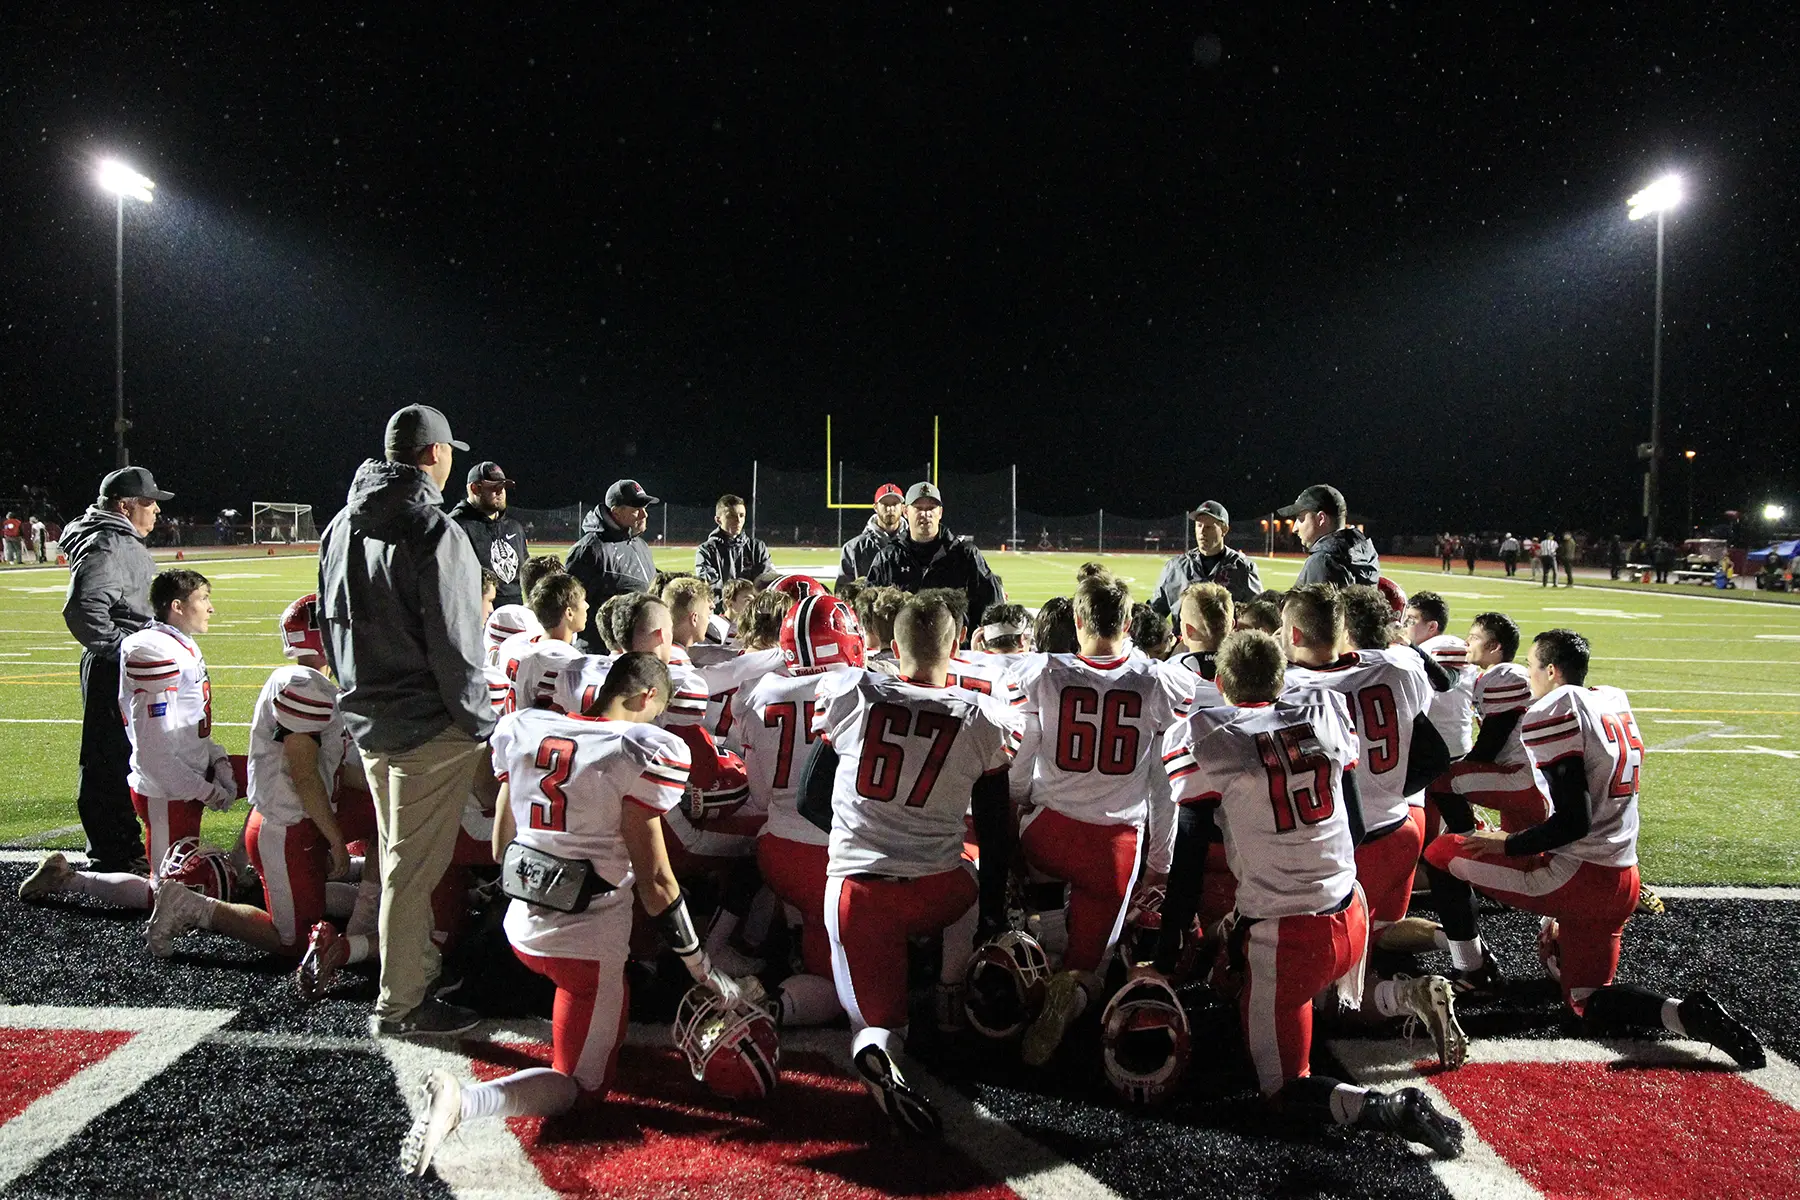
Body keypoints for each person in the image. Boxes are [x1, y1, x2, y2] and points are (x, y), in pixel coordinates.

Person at [400, 654, 756, 1177]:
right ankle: (466, 1104)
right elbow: (656, 880)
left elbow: (502, 844)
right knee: (582, 1090)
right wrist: (703, 969)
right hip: (585, 949)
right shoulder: (638, 748)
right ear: (644, 699)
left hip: (520, 922)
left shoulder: (526, 727)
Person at [1145, 630, 1464, 1158]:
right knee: (1321, 1001)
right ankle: (1403, 995)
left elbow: (1188, 857)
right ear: (1281, 676)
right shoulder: (1325, 709)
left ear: (1220, 682)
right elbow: (1356, 825)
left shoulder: (1205, 735)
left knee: (1282, 1090)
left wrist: (1169, 947)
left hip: (1289, 935)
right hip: (1350, 909)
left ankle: (1386, 1108)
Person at [1421, 630, 1764, 1069]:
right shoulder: (1611, 698)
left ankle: (1472, 970)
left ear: (1551, 670)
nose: (1529, 677)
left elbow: (1573, 820)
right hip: (1622, 877)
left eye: (1531, 666)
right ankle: (1682, 1014)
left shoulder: (1557, 708)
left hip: (1576, 875)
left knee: (1440, 855)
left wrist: (1508, 843)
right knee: (1585, 1002)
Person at [797, 593, 1022, 1134]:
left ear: (893, 647)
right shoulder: (980, 717)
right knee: (968, 858)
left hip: (858, 893)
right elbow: (994, 833)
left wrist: (867, 837)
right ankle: (948, 991)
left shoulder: (855, 694)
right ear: (956, 645)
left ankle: (878, 1046)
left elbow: (810, 799)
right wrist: (995, 914)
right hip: (938, 891)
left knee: (880, 1026)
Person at [318, 403, 495, 1038]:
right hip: (427, 726)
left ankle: (413, 969)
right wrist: (480, 725)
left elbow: (330, 627)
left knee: (399, 861)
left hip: (372, 717)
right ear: (436, 454)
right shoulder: (434, 531)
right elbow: (456, 645)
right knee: (410, 870)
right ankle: (401, 1004)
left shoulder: (340, 525)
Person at [1010, 574, 1195, 1065]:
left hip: (1047, 832)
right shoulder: (1158, 682)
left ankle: (1038, 962)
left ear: (1076, 621)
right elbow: (1163, 784)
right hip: (1115, 847)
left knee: (1045, 882)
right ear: (1130, 622)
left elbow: (1021, 758)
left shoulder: (1043, 672)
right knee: (1091, 970)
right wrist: (1161, 860)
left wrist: (1018, 807)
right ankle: (1067, 995)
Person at [145, 593, 382, 975]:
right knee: (290, 941)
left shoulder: (318, 686)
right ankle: (191, 905)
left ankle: (366, 909)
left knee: (385, 813)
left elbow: (334, 769)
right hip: (287, 827)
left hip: (306, 816)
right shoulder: (302, 685)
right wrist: (336, 840)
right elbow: (304, 775)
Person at [21, 568, 233, 913]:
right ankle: (67, 878)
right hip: (167, 789)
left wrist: (219, 759)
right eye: (203, 599)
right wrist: (208, 791)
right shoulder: (153, 651)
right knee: (165, 895)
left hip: (189, 772)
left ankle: (241, 865)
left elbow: (190, 725)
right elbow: (155, 756)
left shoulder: (180, 643)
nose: (210, 608)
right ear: (177, 606)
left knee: (270, 777)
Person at [1282, 586, 1451, 950]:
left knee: (1328, 955)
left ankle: (1395, 998)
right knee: (1385, 930)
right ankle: (1461, 942)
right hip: (1402, 821)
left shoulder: (1298, 687)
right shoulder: (1405, 667)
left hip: (1346, 839)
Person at [737, 594, 869, 1029]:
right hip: (837, 861)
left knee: (820, 937)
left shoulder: (759, 692)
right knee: (861, 981)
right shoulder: (861, 689)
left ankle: (796, 945)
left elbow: (758, 796)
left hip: (777, 854)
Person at [61, 466, 173, 874]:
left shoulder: (116, 539)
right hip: (114, 664)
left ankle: (120, 844)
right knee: (109, 757)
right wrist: (122, 651)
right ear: (125, 506)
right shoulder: (109, 544)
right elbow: (84, 608)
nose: (157, 511)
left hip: (120, 660)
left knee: (121, 754)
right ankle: (113, 851)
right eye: (149, 502)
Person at [866, 482, 1003, 634]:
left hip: (955, 651)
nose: (925, 514)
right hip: (903, 651)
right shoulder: (888, 558)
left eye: (931, 508)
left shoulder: (965, 554)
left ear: (940, 512)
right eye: (918, 508)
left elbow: (993, 603)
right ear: (905, 511)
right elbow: (869, 608)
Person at [566, 480, 659, 650]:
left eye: (645, 508)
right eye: (636, 510)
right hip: (602, 652)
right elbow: (570, 607)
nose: (644, 515)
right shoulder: (589, 550)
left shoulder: (639, 543)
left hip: (637, 647)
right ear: (616, 512)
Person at [1147, 501, 1264, 621]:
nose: (1202, 532)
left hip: (1226, 639)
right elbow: (1155, 614)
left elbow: (1258, 615)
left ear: (1224, 529)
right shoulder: (1175, 567)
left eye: (1209, 527)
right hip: (1183, 638)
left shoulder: (1243, 569)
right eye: (1199, 525)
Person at [446, 462, 530, 607]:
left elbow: (524, 576)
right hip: (477, 616)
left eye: (503, 487)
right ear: (474, 488)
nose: (501, 492)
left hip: (514, 615)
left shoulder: (514, 527)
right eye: (494, 487)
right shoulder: (454, 527)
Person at [1276, 485, 1379, 586]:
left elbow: (1306, 603)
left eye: (1301, 519)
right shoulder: (1366, 554)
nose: (1295, 528)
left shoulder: (1322, 562)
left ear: (1321, 518)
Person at [695, 494, 772, 600]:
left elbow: (765, 581)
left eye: (742, 515)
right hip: (720, 612)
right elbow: (709, 585)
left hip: (751, 611)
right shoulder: (706, 551)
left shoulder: (757, 548)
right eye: (731, 516)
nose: (738, 520)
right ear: (718, 520)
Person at [838, 483, 908, 583]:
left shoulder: (915, 545)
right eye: (885, 504)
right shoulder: (853, 548)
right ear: (875, 507)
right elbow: (842, 593)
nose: (890, 509)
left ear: (902, 508)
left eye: (894, 504)